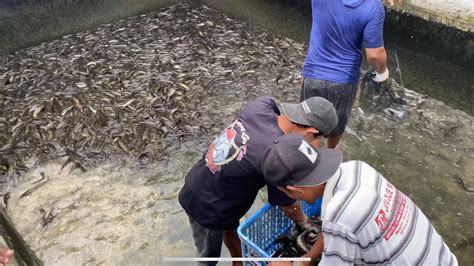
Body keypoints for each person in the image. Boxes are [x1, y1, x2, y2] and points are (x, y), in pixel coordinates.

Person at [178, 95, 338, 265]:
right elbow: (289, 207)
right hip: (205, 204)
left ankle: (238, 262)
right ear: (312, 131)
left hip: (209, 180)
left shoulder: (262, 105)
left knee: (230, 229)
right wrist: (305, 223)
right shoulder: (277, 155)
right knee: (208, 256)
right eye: (319, 138)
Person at [263, 134, 458, 265]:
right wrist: (306, 259)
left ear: (293, 189)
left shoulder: (339, 214)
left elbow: (340, 225)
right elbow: (341, 227)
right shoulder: (358, 168)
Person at [300, 0, 391, 149]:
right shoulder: (373, 8)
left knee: (308, 128)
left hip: (313, 74)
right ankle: (331, 156)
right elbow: (374, 55)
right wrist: (382, 73)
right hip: (344, 81)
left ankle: (309, 162)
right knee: (337, 127)